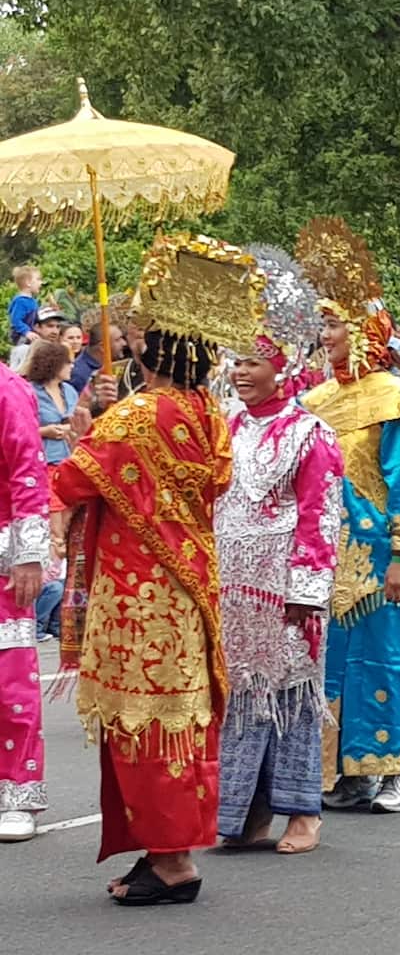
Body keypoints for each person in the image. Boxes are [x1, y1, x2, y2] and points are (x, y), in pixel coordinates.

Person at [52, 233, 261, 903]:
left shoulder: (137, 417)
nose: (133, 333)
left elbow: (72, 483)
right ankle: (166, 850)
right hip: (188, 585)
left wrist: (91, 420)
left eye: (144, 327)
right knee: (178, 718)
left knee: (144, 721)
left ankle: (173, 862)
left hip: (137, 590)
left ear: (158, 344)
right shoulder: (206, 412)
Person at [215, 245, 345, 854]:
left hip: (285, 588)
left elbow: (322, 518)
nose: (241, 373)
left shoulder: (311, 434)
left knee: (291, 692)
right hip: (231, 587)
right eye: (236, 362)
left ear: (285, 365)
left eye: (254, 363)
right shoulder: (226, 428)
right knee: (241, 691)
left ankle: (303, 812)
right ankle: (246, 810)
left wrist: (306, 593)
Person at [297, 218, 400, 814]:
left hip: (376, 557)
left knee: (384, 658)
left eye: (332, 323)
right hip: (324, 554)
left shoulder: (393, 397)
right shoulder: (315, 402)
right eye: (322, 323)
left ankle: (397, 769)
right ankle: (347, 770)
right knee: (330, 664)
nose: (326, 335)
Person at [0, 358, 50, 843]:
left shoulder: (7, 390)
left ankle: (18, 789)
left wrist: (29, 555)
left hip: (2, 559)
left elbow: (28, 472)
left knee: (8, 684)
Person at [26, 340, 79, 466]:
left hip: (71, 460)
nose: (72, 366)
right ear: (54, 363)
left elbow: (80, 423)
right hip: (41, 463)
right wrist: (44, 431)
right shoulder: (29, 392)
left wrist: (69, 428)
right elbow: (18, 430)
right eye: (68, 362)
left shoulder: (70, 391)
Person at [69, 318, 127, 394]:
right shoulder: (78, 374)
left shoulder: (114, 364)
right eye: (118, 340)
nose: (124, 343)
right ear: (102, 347)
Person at [10, 306, 63, 372]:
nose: (55, 331)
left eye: (58, 327)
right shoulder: (24, 350)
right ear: (37, 327)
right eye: (50, 326)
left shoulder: (59, 352)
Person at [7, 265, 41, 344]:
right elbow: (16, 320)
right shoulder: (21, 301)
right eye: (38, 279)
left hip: (29, 334)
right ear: (28, 283)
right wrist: (26, 332)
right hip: (20, 335)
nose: (41, 282)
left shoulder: (32, 301)